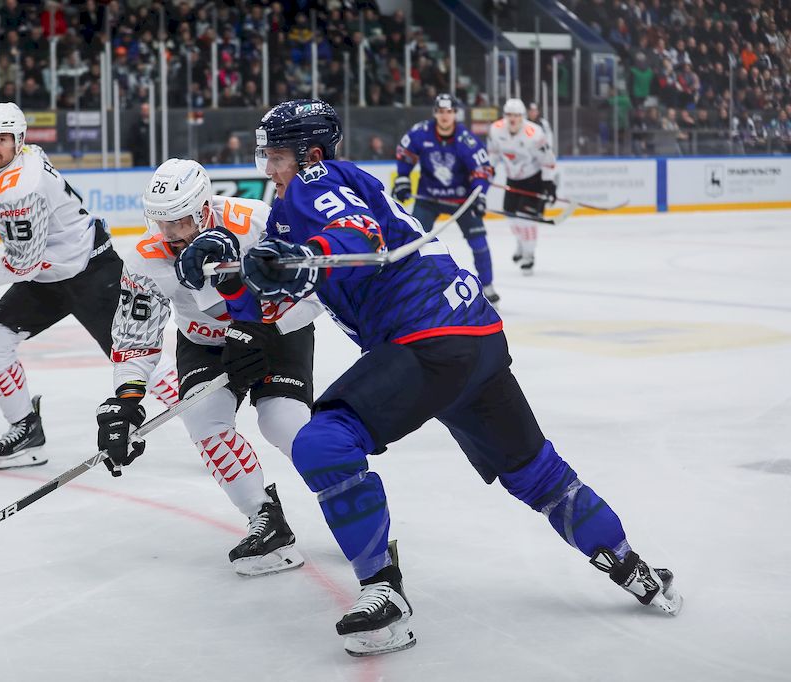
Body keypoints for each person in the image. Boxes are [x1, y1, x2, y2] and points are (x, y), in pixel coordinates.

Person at [182, 98, 682, 657]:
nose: (269, 169)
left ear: (310, 154)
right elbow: (276, 300)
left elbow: (358, 236)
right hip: (473, 334)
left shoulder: (315, 180)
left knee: (323, 443)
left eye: (276, 156)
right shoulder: (295, 207)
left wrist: (302, 254)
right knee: (537, 473)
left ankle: (384, 593)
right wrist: (230, 279)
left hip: (428, 336)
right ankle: (633, 568)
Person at [98, 158, 323, 576]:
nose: (169, 233)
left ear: (204, 209)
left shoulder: (256, 222)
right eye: (160, 222)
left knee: (283, 422)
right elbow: (135, 338)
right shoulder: (146, 257)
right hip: (204, 343)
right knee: (204, 419)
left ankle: (348, 497)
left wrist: (271, 329)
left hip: (273, 333)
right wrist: (126, 400)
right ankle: (265, 519)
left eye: (179, 221)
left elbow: (314, 289)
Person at [0, 102, 176, 470]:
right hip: (50, 275)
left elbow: (24, 261)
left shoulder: (18, 188)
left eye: (1, 139)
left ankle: (206, 419)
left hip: (92, 272)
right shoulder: (14, 160)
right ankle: (26, 429)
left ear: (18, 140)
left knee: (135, 357)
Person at [392, 93, 497, 306]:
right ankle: (408, 286)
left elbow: (482, 170)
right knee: (414, 241)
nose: (444, 116)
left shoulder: (466, 140)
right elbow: (405, 153)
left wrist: (479, 195)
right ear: (435, 113)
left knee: (479, 242)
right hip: (428, 198)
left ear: (455, 113)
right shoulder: (421, 132)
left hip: (462, 200)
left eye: (449, 112)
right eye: (440, 111)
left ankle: (487, 285)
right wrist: (402, 179)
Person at [487, 98, 557, 276]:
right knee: (511, 217)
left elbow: (547, 159)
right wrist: (489, 170)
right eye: (509, 115)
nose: (513, 119)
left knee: (526, 219)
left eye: (517, 115)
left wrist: (548, 183)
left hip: (533, 180)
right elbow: (493, 153)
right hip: (512, 179)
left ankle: (529, 255)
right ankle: (521, 243)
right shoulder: (496, 130)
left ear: (523, 117)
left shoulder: (534, 133)